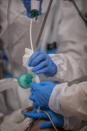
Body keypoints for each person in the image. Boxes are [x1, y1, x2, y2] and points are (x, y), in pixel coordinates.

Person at [23, 0, 87, 130]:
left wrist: (60, 97)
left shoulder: (65, 5)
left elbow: (79, 59)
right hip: (14, 101)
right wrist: (71, 119)